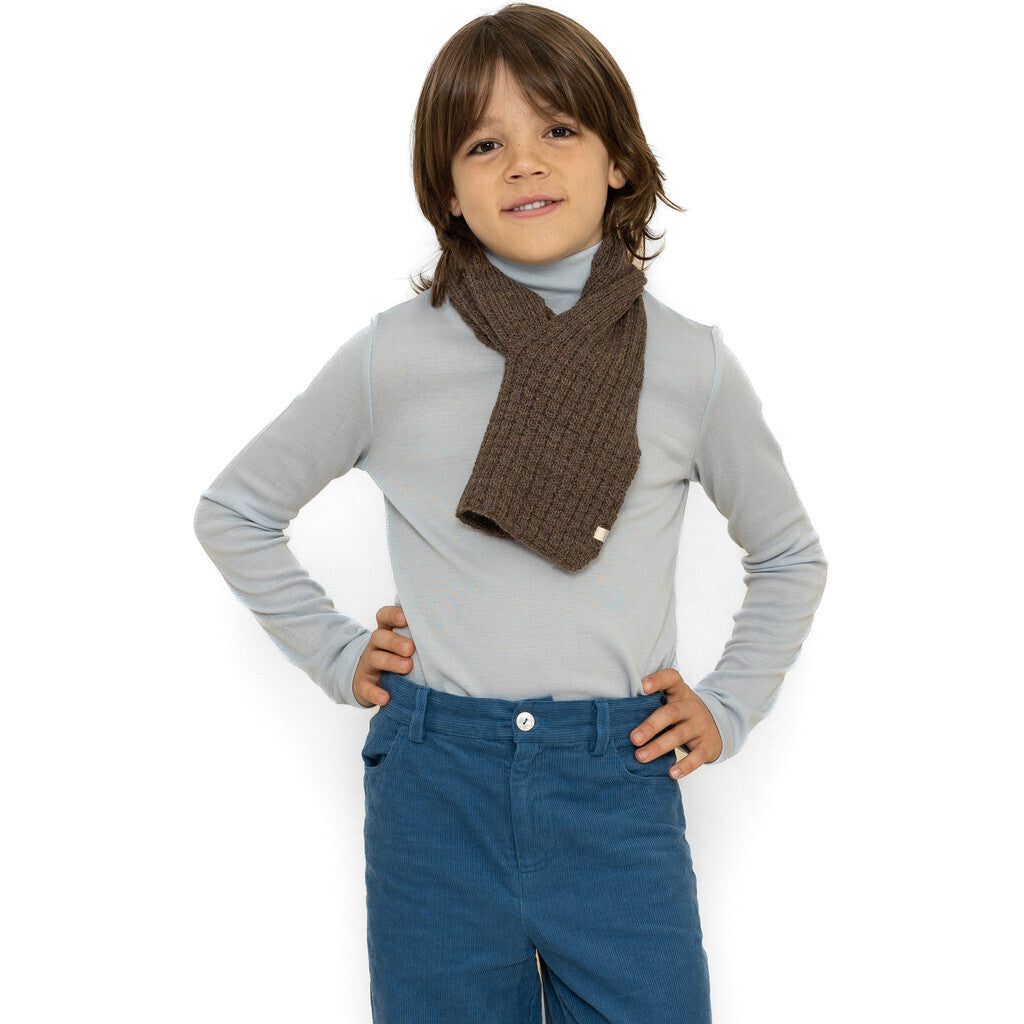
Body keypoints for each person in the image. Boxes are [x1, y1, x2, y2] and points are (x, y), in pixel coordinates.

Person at [193, 4, 827, 1021]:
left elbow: (789, 555)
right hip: (436, 787)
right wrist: (335, 651)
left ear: (619, 160)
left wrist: (729, 704)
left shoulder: (689, 363)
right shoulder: (395, 355)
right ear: (448, 190)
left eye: (557, 129)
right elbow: (235, 510)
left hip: (616, 783)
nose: (523, 162)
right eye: (483, 144)